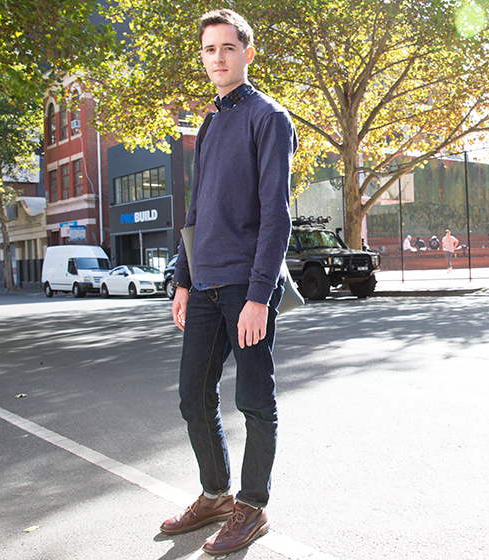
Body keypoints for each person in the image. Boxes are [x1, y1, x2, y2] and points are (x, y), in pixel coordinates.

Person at [161, 9, 296, 556]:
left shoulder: (269, 117)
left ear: (247, 52)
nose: (217, 58)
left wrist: (260, 294)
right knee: (194, 397)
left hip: (247, 285)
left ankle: (252, 506)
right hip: (206, 283)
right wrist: (182, 280)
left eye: (227, 48)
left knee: (254, 400)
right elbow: (195, 209)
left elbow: (275, 215)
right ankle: (215, 495)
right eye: (209, 50)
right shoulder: (211, 121)